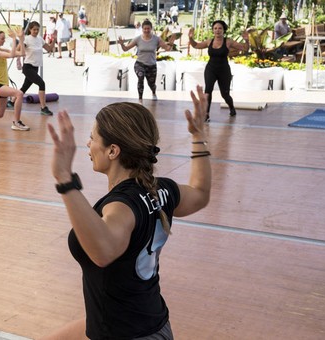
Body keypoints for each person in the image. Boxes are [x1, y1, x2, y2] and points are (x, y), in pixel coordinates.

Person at [44, 85, 212, 340]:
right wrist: (198, 136)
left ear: (113, 150)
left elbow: (104, 251)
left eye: (92, 138)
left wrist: (65, 179)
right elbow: (200, 193)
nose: (88, 144)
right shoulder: (161, 190)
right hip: (145, 322)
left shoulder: (121, 206)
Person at [188, 20, 249, 120]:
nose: (217, 30)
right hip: (211, 69)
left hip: (224, 70)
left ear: (224, 30)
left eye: (220, 28)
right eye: (215, 28)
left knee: (225, 94)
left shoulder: (228, 41)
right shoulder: (209, 41)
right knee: (208, 90)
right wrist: (190, 38)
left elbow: (245, 48)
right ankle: (206, 114)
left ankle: (231, 108)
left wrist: (247, 40)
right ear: (213, 30)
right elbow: (196, 45)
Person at [118, 20, 175, 103]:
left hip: (151, 65)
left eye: (148, 29)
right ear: (142, 29)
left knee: (151, 84)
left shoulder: (156, 39)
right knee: (140, 77)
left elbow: (167, 48)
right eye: (145, 29)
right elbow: (126, 49)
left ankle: (154, 92)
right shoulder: (137, 39)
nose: (146, 30)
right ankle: (140, 99)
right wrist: (122, 44)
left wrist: (171, 43)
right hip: (139, 64)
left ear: (151, 29)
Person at [20, 21, 54, 115]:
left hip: (35, 67)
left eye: (37, 30)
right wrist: (21, 39)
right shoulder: (27, 39)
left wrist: (54, 40)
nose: (36, 31)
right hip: (28, 67)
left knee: (24, 87)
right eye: (34, 29)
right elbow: (20, 49)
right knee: (41, 84)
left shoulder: (40, 39)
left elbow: (49, 49)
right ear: (30, 29)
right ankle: (43, 108)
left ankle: (12, 101)